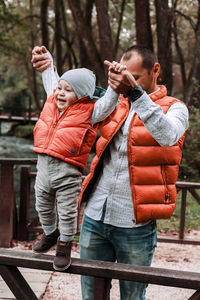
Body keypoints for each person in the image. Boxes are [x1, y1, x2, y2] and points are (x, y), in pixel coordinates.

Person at [32, 45, 189, 299]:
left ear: (156, 70)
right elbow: (68, 98)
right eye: (125, 77)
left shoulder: (176, 108)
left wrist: (136, 93)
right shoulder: (113, 103)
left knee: (132, 296)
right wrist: (49, 66)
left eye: (135, 78)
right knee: (91, 295)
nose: (128, 83)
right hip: (94, 219)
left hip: (135, 225)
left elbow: (168, 136)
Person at [31, 47, 128, 272]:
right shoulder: (51, 101)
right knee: (42, 206)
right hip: (44, 170)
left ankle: (64, 244)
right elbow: (50, 78)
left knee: (66, 211)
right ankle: (50, 234)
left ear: (83, 95)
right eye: (60, 89)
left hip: (68, 174)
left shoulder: (90, 112)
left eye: (68, 90)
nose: (61, 93)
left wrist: (115, 86)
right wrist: (48, 58)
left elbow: (109, 104)